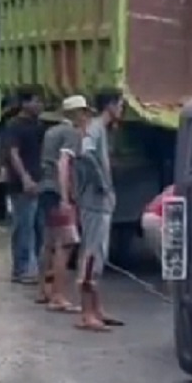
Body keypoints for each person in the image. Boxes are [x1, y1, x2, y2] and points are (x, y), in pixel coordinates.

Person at [74, 89, 124, 332]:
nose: (121, 110)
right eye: (120, 105)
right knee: (91, 255)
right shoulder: (95, 128)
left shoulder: (102, 129)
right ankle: (86, 314)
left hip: (101, 204)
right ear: (111, 106)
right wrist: (101, 182)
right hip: (94, 203)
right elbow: (85, 153)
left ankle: (97, 309)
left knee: (99, 255)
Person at [35, 95, 88, 311]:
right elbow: (64, 163)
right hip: (58, 191)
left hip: (45, 189)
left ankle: (43, 290)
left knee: (49, 242)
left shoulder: (51, 132)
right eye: (84, 112)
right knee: (66, 243)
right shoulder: (72, 133)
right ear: (76, 113)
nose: (86, 116)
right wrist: (66, 197)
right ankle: (58, 296)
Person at [2, 86, 46, 284]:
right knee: (23, 227)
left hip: (38, 182)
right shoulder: (14, 126)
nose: (40, 105)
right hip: (21, 185)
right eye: (36, 101)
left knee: (39, 228)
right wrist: (25, 178)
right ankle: (20, 270)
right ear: (24, 103)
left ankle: (34, 267)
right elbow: (13, 153)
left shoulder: (37, 125)